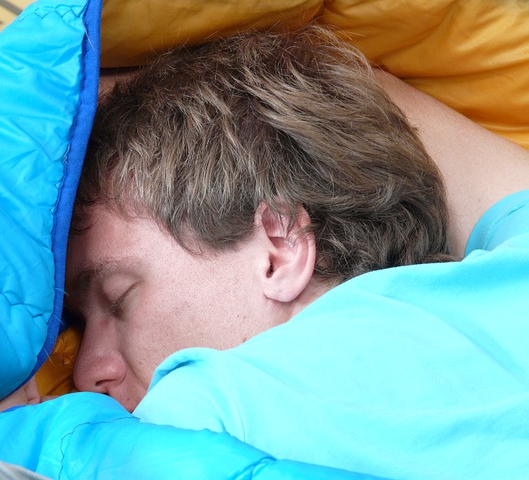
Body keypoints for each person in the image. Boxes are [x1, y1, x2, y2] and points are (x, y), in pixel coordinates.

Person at [64, 25, 529, 479]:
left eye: (119, 298)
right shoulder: (513, 277)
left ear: (281, 249)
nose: (86, 374)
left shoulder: (213, 407)